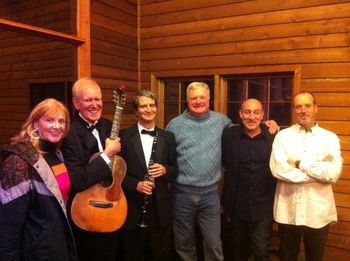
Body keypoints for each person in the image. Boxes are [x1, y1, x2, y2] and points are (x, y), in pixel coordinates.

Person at [166, 82, 279, 261]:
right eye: (193, 97)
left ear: (209, 99)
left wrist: (265, 124)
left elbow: (247, 125)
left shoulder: (222, 122)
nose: (198, 101)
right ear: (187, 100)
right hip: (182, 194)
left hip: (210, 195)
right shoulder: (174, 125)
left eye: (202, 97)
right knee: (184, 242)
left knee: (213, 243)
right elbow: (168, 158)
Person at [0, 98, 77, 260]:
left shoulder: (57, 154)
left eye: (61, 121)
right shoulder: (18, 162)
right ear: (35, 124)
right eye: (50, 120)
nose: (57, 126)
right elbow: (8, 225)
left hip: (57, 244)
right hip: (34, 253)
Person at [270, 91, 343, 261]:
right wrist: (318, 172)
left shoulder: (329, 138)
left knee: (315, 257)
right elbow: (278, 169)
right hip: (287, 210)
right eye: (298, 106)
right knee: (287, 255)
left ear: (315, 108)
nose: (303, 110)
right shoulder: (282, 136)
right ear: (294, 110)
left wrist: (298, 164)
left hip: (318, 211)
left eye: (307, 106)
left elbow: (332, 173)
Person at [61, 77, 122, 261]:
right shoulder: (69, 133)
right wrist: (107, 154)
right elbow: (78, 181)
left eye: (98, 99)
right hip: (85, 210)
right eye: (88, 100)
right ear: (76, 103)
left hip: (111, 204)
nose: (95, 105)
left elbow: (116, 166)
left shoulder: (107, 125)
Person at [118, 89, 178, 260]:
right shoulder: (123, 136)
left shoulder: (168, 137)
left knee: (159, 254)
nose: (149, 109)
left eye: (152, 105)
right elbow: (116, 174)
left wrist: (166, 170)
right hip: (133, 208)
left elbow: (175, 169)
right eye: (144, 106)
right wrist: (135, 185)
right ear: (136, 111)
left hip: (160, 210)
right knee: (132, 254)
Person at [221, 99, 276, 261]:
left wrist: (272, 124)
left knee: (261, 249)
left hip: (264, 203)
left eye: (256, 112)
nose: (251, 117)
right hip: (237, 204)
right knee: (238, 249)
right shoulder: (228, 135)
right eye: (247, 112)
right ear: (240, 114)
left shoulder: (273, 136)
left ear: (263, 115)